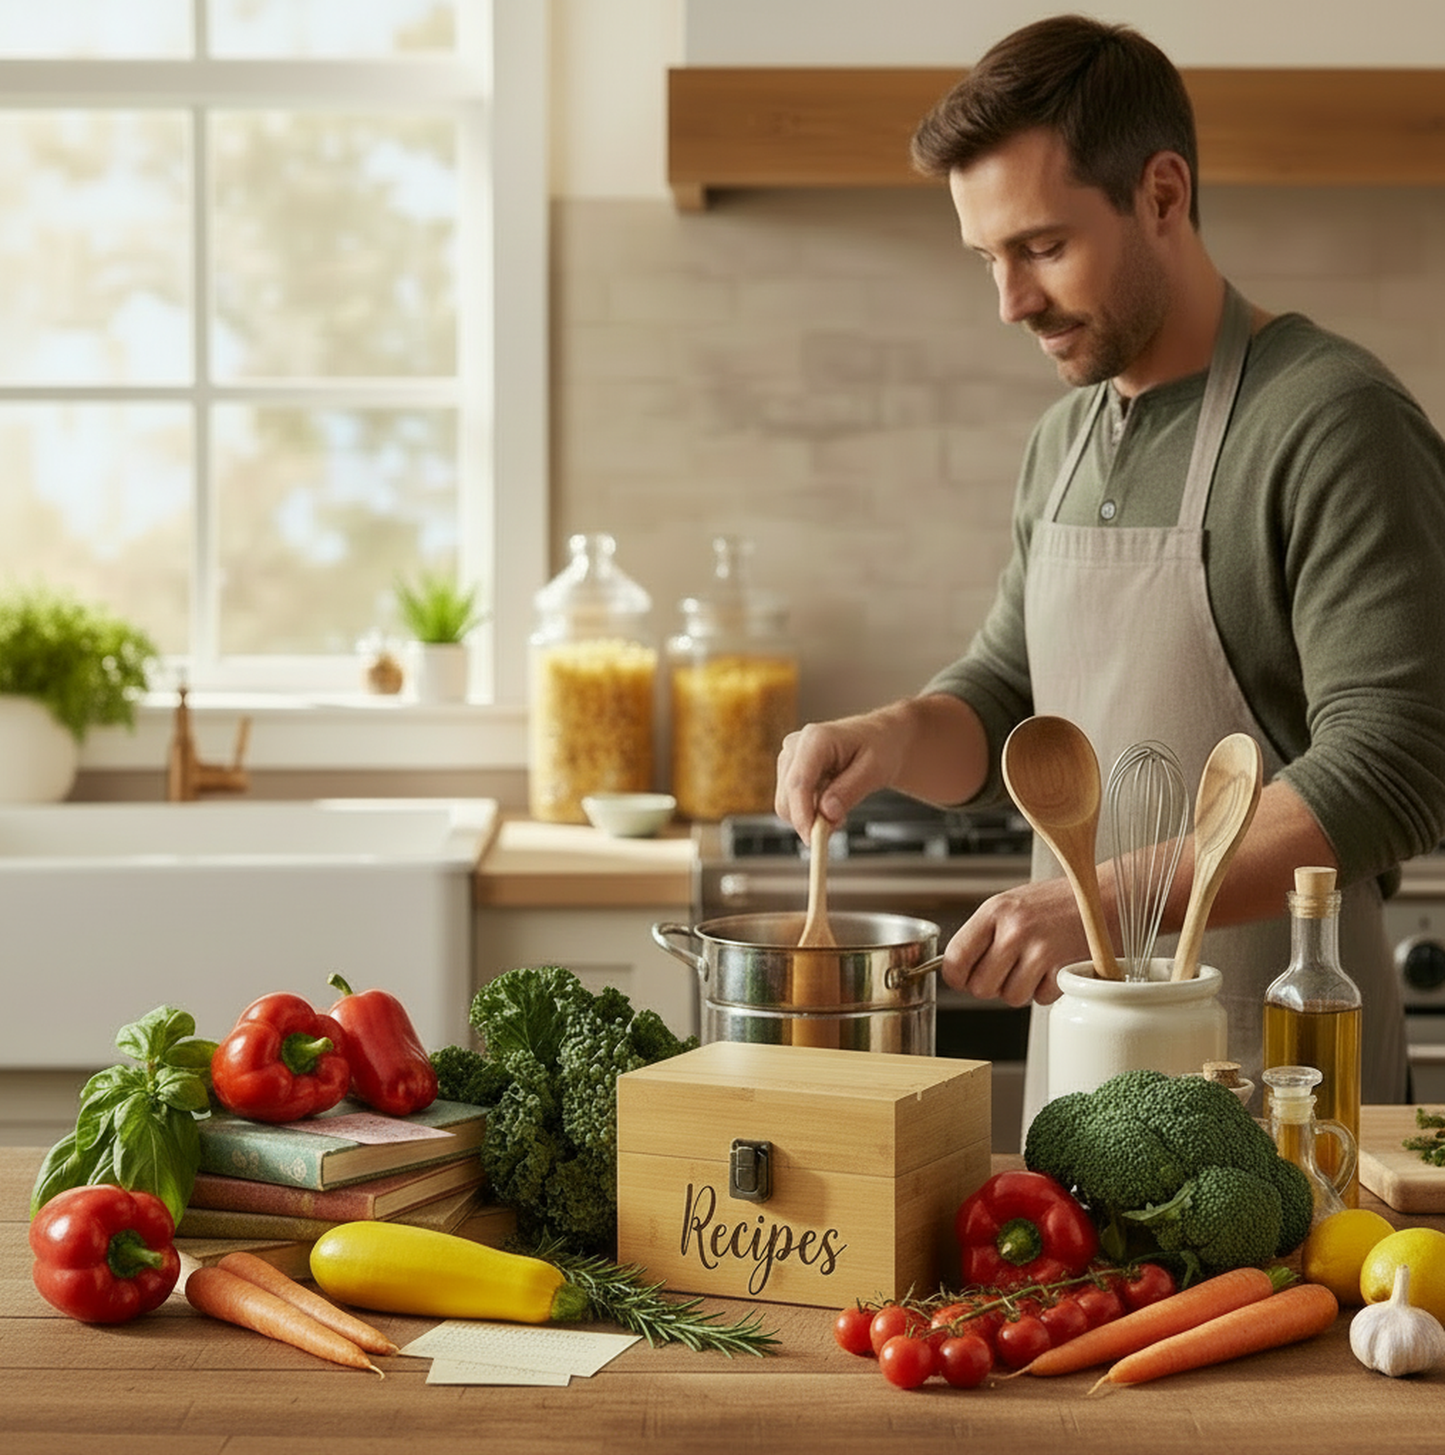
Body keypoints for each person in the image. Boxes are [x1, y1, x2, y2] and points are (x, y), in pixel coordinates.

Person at [774, 14, 1445, 1127]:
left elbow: (1396, 766)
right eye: (987, 258)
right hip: (1086, 1087)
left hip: (1282, 1087)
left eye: (1040, 247)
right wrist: (892, 735)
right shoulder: (1066, 438)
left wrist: (1102, 900)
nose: (1009, 301)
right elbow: (1004, 705)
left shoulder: (1331, 421)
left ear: (1163, 195)